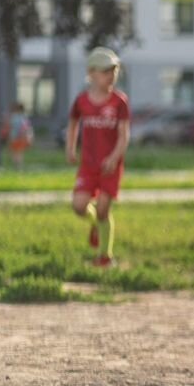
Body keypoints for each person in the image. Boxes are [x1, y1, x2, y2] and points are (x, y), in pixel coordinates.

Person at [67, 47, 131, 268]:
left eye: (113, 71)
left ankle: (105, 257)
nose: (110, 76)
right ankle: (95, 223)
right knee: (79, 206)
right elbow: (73, 123)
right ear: (91, 73)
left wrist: (114, 157)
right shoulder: (81, 101)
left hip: (110, 166)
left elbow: (124, 135)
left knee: (103, 209)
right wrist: (70, 148)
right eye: (105, 71)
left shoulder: (119, 102)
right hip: (88, 165)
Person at [5, 102, 34, 169]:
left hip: (15, 137)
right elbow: (28, 128)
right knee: (19, 152)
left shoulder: (14, 117)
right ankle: (19, 166)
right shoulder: (24, 117)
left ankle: (17, 166)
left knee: (15, 152)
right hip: (22, 137)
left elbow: (10, 127)